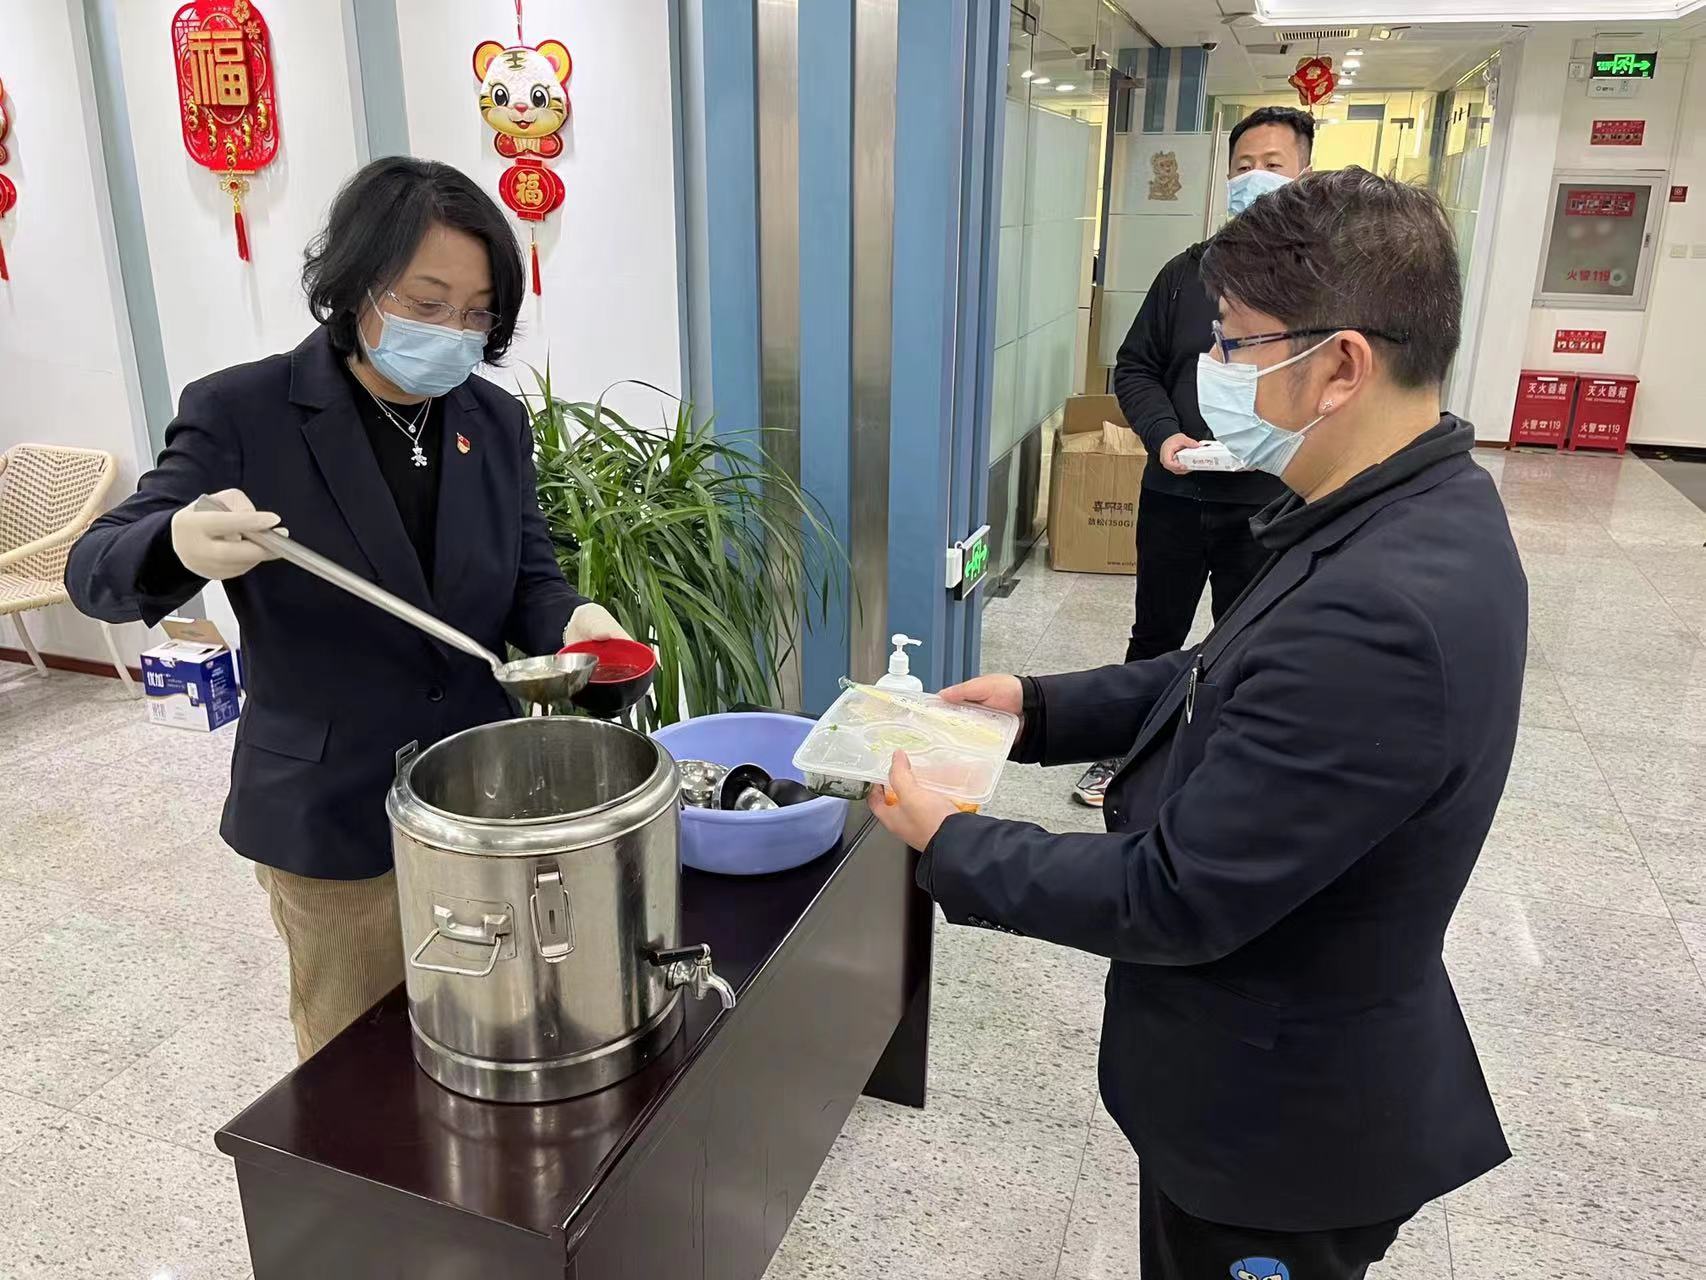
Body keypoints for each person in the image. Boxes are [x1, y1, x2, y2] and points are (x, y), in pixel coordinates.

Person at [872, 169, 1523, 1280]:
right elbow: (1222, 668)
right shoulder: (1401, 506)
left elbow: (1174, 893)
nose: (1211, 368)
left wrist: (955, 841)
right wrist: (1038, 706)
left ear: (1342, 365)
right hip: (1259, 1077)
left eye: (1233, 343)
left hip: (1274, 1134)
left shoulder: (1383, 608)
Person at [67, 157, 632, 1060]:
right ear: (356, 282)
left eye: (478, 313)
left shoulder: (490, 420)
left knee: (490, 1030)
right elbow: (94, 570)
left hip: (477, 796)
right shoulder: (244, 411)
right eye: (427, 301)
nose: (453, 332)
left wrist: (571, 620)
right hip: (332, 810)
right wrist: (177, 541)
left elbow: (530, 575)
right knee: (350, 1062)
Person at [1074, 105, 1315, 807]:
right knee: (1155, 633)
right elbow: (1135, 366)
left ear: (1305, 175)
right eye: (1243, 166)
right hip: (1176, 493)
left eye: (1272, 165)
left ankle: (1224, 769)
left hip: (1268, 502)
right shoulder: (1187, 274)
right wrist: (1163, 437)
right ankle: (1127, 753)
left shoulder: (1323, 284)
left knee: (1250, 639)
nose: (1255, 178)